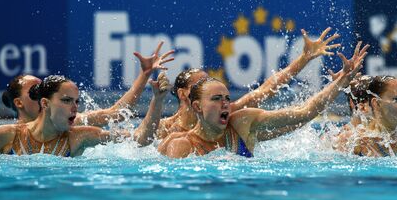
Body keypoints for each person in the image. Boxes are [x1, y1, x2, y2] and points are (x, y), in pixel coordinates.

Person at [158, 43, 368, 158]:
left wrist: (342, 80)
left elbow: (305, 110)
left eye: (227, 98)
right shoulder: (178, 142)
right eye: (216, 98)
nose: (225, 103)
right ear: (193, 102)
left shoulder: (241, 121)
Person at [154, 28, 342, 140]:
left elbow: (266, 89)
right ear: (183, 94)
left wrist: (303, 59)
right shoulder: (166, 130)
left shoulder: (230, 117)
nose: (208, 86)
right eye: (199, 84)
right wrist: (157, 101)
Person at [0, 71, 171, 157]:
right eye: (66, 101)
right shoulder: (5, 135)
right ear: (45, 103)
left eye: (77, 101)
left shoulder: (80, 135)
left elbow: (140, 139)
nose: (75, 108)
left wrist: (158, 100)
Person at [0, 42, 173, 127]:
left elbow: (117, 113)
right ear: (18, 102)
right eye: (34, 92)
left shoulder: (72, 124)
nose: (41, 95)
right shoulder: (5, 136)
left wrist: (144, 74)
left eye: (42, 89)